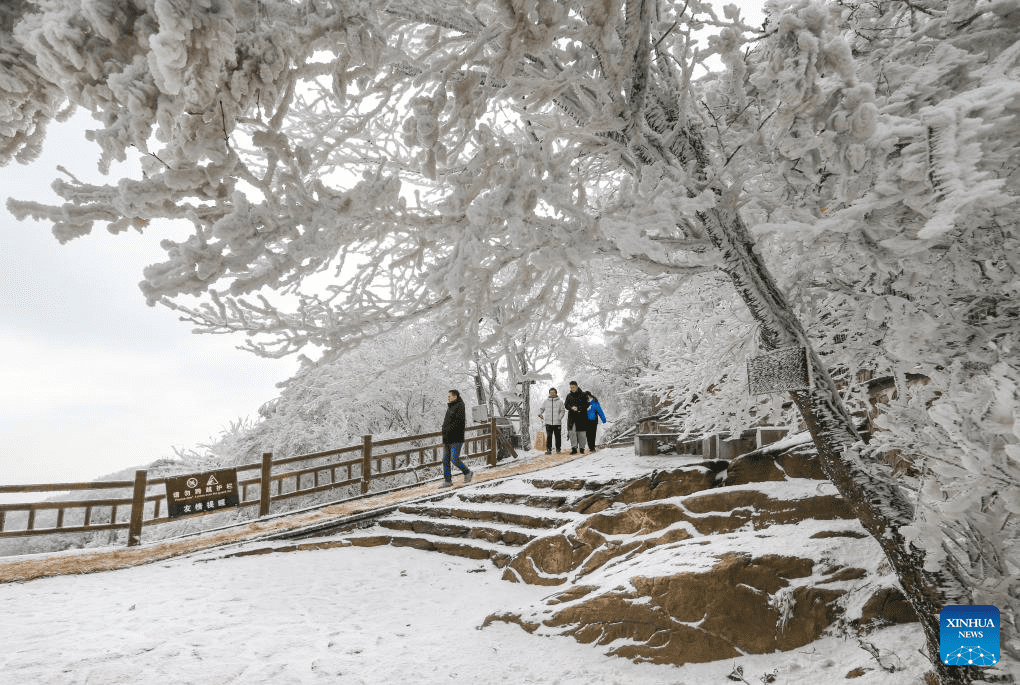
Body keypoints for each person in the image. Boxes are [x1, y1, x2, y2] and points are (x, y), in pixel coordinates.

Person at [440, 389, 472, 487]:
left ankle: (467, 472)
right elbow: (447, 422)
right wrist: (444, 432)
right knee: (445, 459)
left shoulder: (460, 406)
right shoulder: (451, 406)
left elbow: (459, 423)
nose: (448, 398)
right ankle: (448, 481)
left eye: (449, 396)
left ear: (455, 396)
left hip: (456, 438)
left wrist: (448, 431)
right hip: (447, 438)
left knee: (454, 459)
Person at [537, 387, 565, 454]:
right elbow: (541, 409)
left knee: (557, 437)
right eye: (551, 393)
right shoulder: (546, 401)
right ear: (549, 393)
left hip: (557, 422)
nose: (552, 394)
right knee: (549, 437)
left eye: (554, 392)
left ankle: (558, 449)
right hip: (548, 422)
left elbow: (563, 411)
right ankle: (549, 450)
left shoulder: (560, 402)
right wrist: (539, 413)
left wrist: (559, 417)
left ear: (556, 393)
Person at [564, 381, 590, 455]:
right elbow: (566, 405)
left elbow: (587, 404)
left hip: (582, 417)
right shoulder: (568, 396)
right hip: (572, 417)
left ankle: (582, 448)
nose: (572, 388)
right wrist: (571, 408)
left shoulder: (584, 394)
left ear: (577, 386)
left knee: (582, 433)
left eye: (573, 387)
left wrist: (578, 408)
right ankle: (574, 448)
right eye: (571, 387)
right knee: (572, 432)